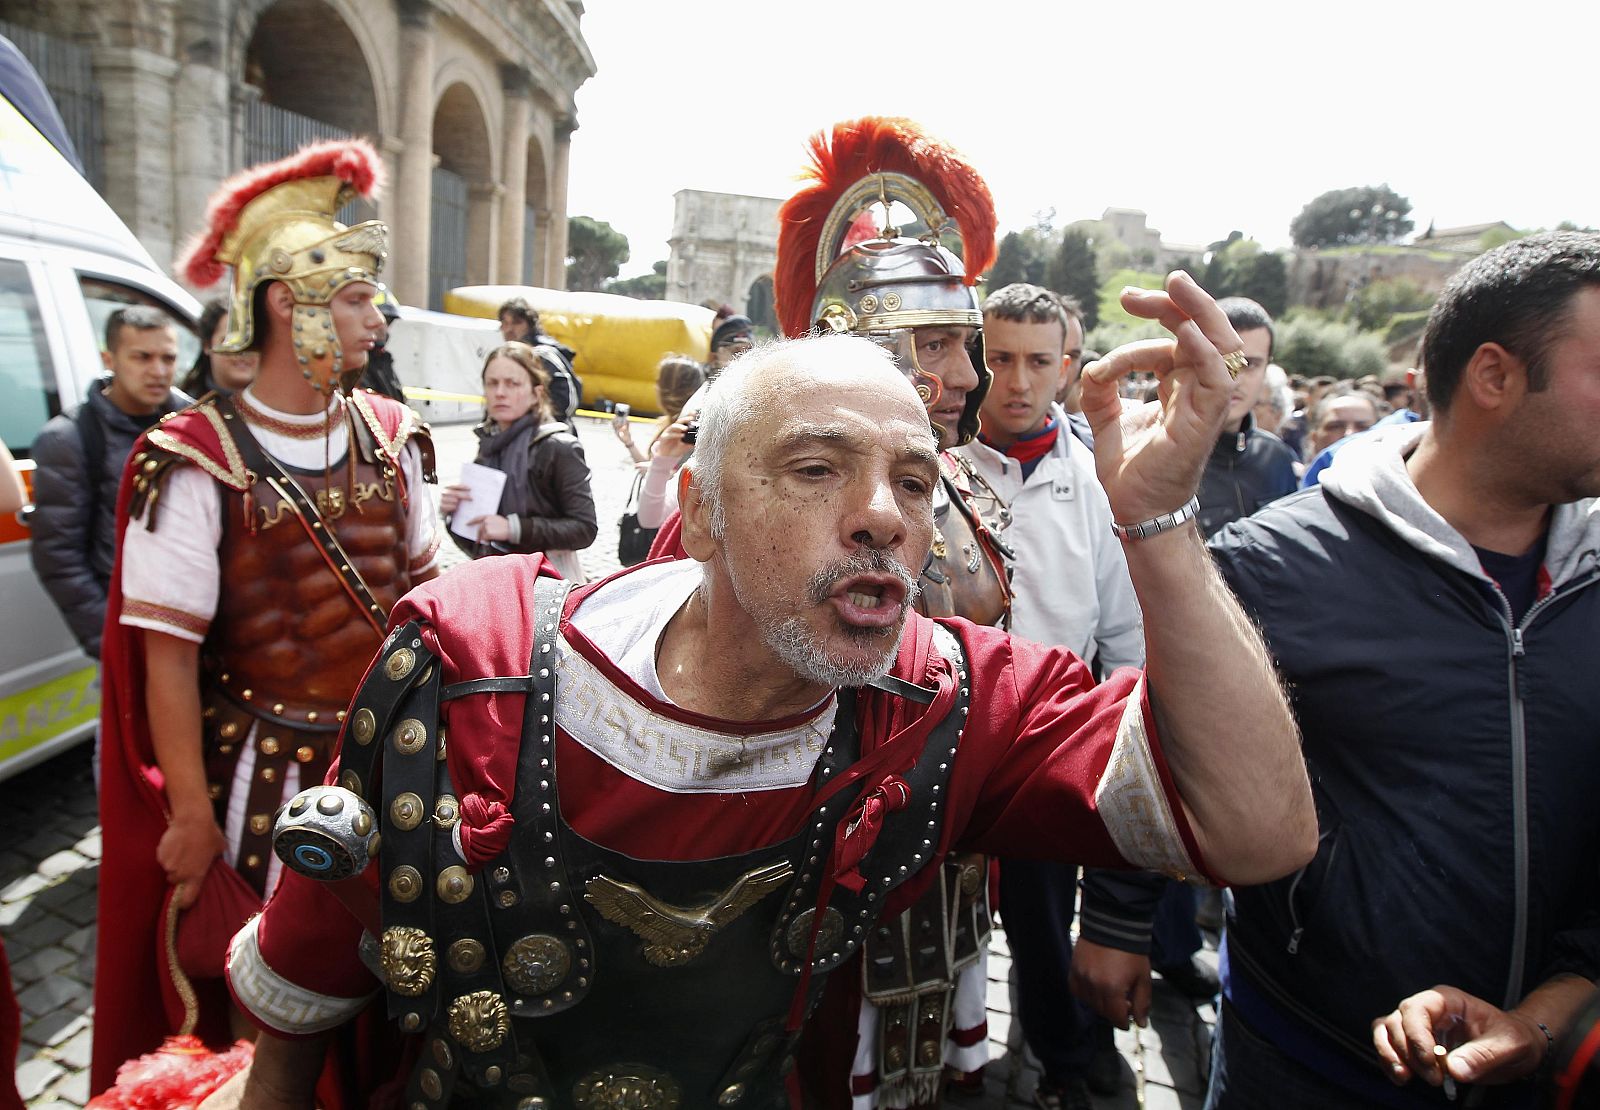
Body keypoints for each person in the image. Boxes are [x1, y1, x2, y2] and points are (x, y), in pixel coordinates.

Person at [222, 273, 1317, 1108]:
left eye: (914, 480)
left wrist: (1160, 522)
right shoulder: (473, 658)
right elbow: (310, 979)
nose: (884, 513)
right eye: (815, 468)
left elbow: (1256, 831)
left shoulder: (950, 696)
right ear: (695, 512)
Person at [1199, 231, 1600, 1110]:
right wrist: (1115, 923)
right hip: (1305, 1060)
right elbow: (1174, 763)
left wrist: (1545, 1014)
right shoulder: (1273, 566)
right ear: (1493, 376)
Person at [89, 139, 443, 1093]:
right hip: (261, 771)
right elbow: (166, 656)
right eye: (360, 297)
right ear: (291, 302)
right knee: (272, 998)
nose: (378, 317)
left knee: (395, 977)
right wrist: (192, 816)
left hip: (385, 754)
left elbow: (429, 596)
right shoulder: (196, 454)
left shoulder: (394, 438)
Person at [771, 117, 1016, 1103]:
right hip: (820, 880)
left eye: (964, 346)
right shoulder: (784, 499)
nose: (966, 376)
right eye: (938, 346)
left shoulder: (955, 481)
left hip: (947, 860)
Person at [958, 282, 1142, 1108]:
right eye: (999, 358)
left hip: (1047, 743)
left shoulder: (1104, 480)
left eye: (1039, 361)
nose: (1018, 381)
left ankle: (1065, 1059)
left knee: (1041, 911)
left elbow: (1129, 635)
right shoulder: (938, 466)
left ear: (1069, 367)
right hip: (941, 733)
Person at [31, 306, 189, 661]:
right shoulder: (69, 439)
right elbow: (59, 556)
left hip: (200, 623)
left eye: (168, 358)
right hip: (127, 626)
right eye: (142, 357)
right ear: (110, 358)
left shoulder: (195, 424)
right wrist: (113, 645)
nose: (159, 371)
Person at [439, 342, 597, 582]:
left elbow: (584, 529)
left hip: (549, 588)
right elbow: (478, 546)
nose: (500, 392)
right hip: (497, 584)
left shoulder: (559, 447)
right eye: (492, 383)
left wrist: (515, 528)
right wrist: (454, 516)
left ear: (536, 393)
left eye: (512, 384)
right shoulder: (488, 446)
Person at [1193, 297, 1298, 538]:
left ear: (1266, 369)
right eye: (1221, 360)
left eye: (1249, 364)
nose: (1235, 378)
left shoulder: (1277, 458)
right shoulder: (1160, 461)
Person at [624, 355, 706, 531]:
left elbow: (676, 482)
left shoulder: (687, 434)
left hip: (667, 527)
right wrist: (629, 443)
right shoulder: (670, 427)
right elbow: (655, 468)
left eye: (659, 382)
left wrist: (660, 470)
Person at [498, 296, 582, 427]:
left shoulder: (542, 354)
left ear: (529, 325)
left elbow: (568, 400)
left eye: (516, 322)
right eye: (505, 323)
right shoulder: (506, 357)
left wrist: (542, 424)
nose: (509, 329)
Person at [181, 298, 259, 398]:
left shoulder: (280, 407)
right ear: (207, 345)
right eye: (230, 342)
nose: (242, 351)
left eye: (250, 341)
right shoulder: (185, 406)